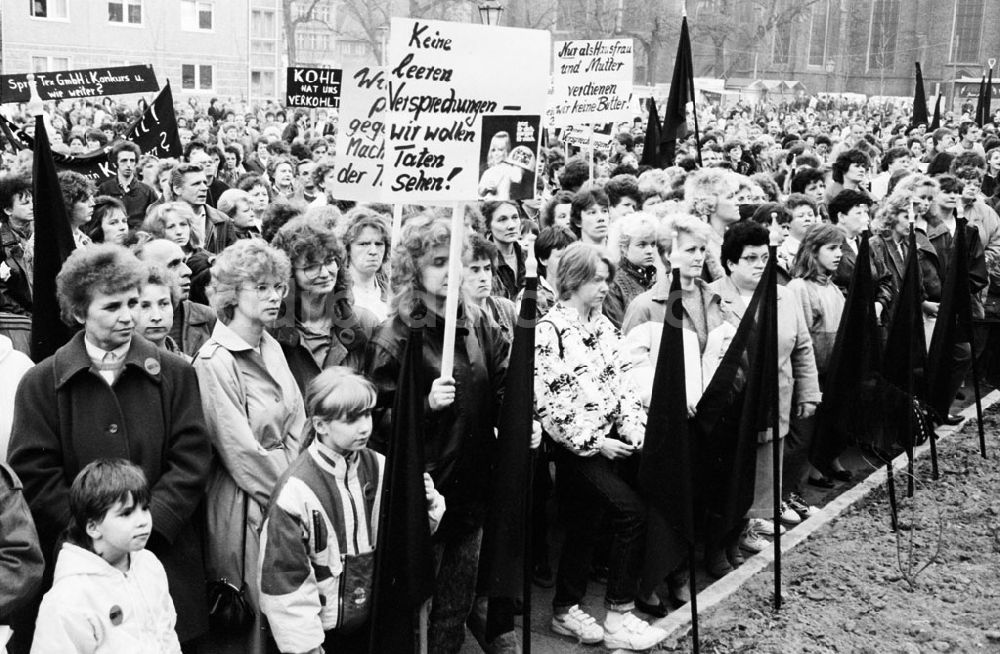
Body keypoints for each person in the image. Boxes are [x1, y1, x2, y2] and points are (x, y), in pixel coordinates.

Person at [8, 244, 211, 651]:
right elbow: (33, 472)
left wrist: (149, 523)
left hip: (164, 560)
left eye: (133, 303)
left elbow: (191, 458)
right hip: (85, 567)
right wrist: (94, 534)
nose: (128, 316)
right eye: (112, 306)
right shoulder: (42, 382)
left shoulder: (174, 372)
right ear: (80, 313)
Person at [366, 215, 509, 654]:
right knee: (416, 609)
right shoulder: (395, 336)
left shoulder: (477, 321)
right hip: (427, 492)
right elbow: (375, 423)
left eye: (457, 261)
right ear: (413, 269)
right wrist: (423, 406)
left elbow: (502, 381)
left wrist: (522, 418)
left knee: (455, 605)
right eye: (437, 262)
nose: (450, 272)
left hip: (473, 488)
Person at [534, 242, 666, 651]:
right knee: (630, 514)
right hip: (578, 450)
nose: (605, 287)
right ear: (572, 280)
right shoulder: (549, 330)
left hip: (612, 442)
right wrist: (595, 442)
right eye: (596, 279)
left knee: (585, 526)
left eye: (607, 279)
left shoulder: (604, 327)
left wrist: (633, 429)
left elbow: (624, 382)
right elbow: (548, 402)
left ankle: (565, 609)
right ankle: (619, 614)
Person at [259, 368, 445, 654]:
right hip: (324, 637)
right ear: (320, 425)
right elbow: (286, 583)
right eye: (351, 419)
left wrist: (425, 505)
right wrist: (307, 648)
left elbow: (409, 539)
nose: (364, 427)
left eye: (368, 414)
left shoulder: (382, 468)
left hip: (375, 629)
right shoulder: (294, 492)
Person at [193, 239, 306, 654]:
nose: (275, 295)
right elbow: (239, 451)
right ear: (231, 294)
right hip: (247, 506)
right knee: (253, 619)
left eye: (278, 286)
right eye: (261, 287)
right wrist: (293, 496)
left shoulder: (270, 344)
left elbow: (298, 421)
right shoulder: (214, 360)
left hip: (287, 490)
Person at [619, 214, 726, 590]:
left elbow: (725, 356)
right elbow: (629, 369)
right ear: (667, 256)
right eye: (688, 250)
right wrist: (670, 399)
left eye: (702, 249)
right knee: (664, 505)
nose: (698, 257)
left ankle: (686, 568)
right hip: (664, 423)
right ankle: (662, 578)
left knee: (698, 495)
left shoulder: (715, 300)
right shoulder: (646, 306)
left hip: (707, 419)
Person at [707, 222, 821, 557]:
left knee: (765, 467)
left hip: (776, 399)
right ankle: (727, 535)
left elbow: (802, 347)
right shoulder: (713, 296)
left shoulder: (783, 296)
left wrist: (809, 393)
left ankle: (750, 525)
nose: (760, 264)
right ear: (730, 263)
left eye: (763, 257)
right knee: (733, 475)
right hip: (733, 408)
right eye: (750, 258)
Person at [30, 460, 181, 654]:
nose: (143, 521)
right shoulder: (69, 596)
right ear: (93, 527)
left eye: (145, 508)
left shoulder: (149, 564)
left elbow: (166, 633)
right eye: (126, 513)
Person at [270, 215, 379, 394]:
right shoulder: (271, 328)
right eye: (311, 266)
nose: (324, 273)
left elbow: (377, 395)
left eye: (329, 261)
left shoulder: (364, 322)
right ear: (288, 273)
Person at [784, 223, 847, 505]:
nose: (839, 254)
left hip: (828, 374)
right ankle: (787, 493)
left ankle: (800, 487)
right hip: (807, 376)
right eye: (831, 248)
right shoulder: (799, 287)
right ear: (813, 251)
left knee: (816, 435)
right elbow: (801, 336)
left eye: (841, 248)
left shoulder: (833, 288)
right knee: (800, 439)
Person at [134, 237, 217, 357]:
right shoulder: (126, 324)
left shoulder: (206, 317)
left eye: (184, 261)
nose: (187, 271)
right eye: (174, 264)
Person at [683, 167, 741, 281]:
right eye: (730, 197)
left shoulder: (730, 238)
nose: (737, 202)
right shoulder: (698, 246)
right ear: (709, 203)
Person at [603, 212, 658, 329]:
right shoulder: (612, 283)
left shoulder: (657, 277)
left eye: (653, 244)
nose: (650, 250)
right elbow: (619, 330)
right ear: (624, 248)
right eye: (642, 245)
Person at [463, 233, 518, 339]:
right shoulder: (452, 318)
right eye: (475, 270)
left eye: (487, 268)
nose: (483, 277)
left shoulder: (508, 309)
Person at [340, 208, 390, 322]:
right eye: (364, 244)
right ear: (347, 248)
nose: (373, 251)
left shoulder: (393, 293)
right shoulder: (337, 293)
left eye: (379, 244)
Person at [97, 140, 157, 229]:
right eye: (124, 160)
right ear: (115, 163)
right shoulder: (104, 188)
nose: (128, 164)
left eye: (132, 160)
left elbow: (155, 221)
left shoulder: (148, 192)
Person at [0, 174, 33, 315]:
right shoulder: (2, 243)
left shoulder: (45, 233)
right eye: (25, 203)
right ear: (8, 210)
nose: (32, 206)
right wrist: (26, 318)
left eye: (32, 201)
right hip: (24, 319)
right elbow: (3, 293)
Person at [482, 200, 525, 300]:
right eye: (502, 219)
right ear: (488, 226)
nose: (511, 226)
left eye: (515, 217)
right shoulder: (484, 260)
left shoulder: (529, 256)